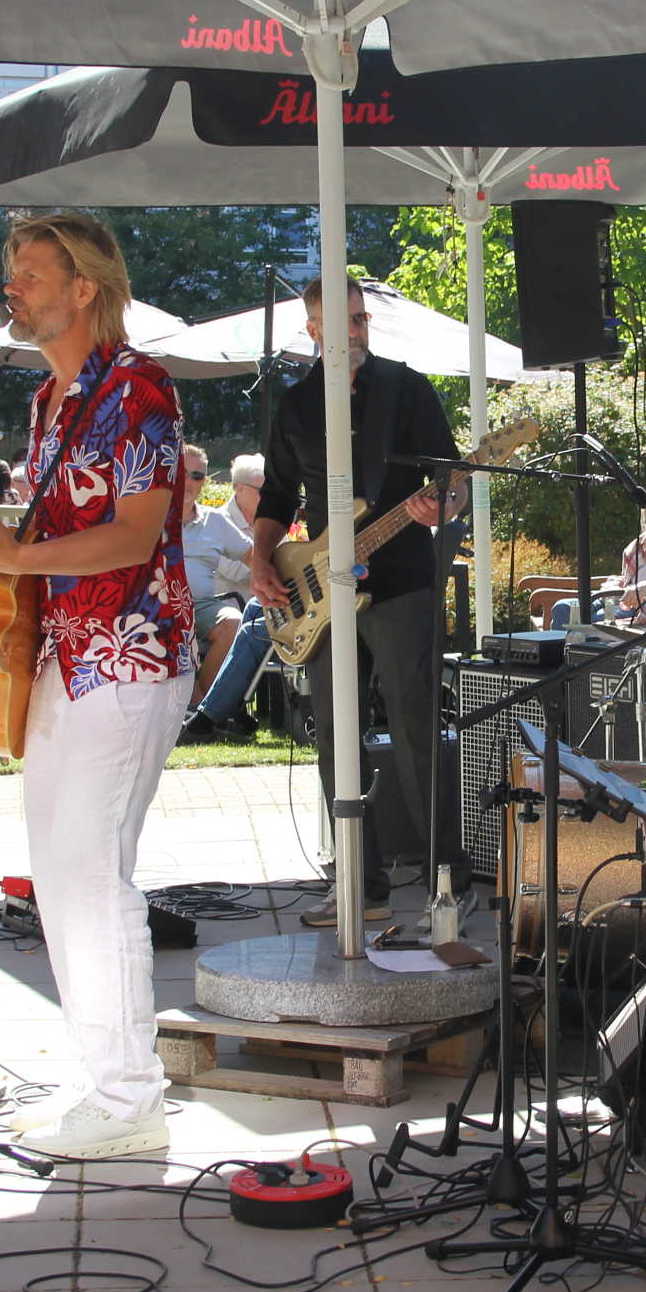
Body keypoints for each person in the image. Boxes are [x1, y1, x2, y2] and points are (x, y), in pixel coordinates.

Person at [0, 212, 192, 1161]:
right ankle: (105, 1086)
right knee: (59, 880)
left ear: (84, 288)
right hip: (59, 654)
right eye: (12, 273)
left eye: (33, 275)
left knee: (92, 878)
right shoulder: (48, 402)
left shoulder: (139, 389)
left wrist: (14, 558)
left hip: (128, 653)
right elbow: (43, 539)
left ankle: (130, 1102)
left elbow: (133, 535)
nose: (14, 289)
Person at [249, 273, 461, 926]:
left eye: (362, 318)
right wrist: (260, 558)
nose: (357, 330)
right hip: (321, 591)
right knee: (335, 736)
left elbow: (451, 477)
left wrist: (442, 507)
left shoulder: (406, 388)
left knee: (416, 730)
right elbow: (278, 494)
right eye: (344, 321)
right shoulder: (295, 404)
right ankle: (359, 885)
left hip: (401, 582)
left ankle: (446, 883)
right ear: (314, 329)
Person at [546, 491, 646, 628]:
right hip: (619, 600)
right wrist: (618, 586)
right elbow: (627, 581)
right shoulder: (639, 545)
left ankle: (577, 651)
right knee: (562, 608)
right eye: (645, 524)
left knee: (590, 621)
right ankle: (561, 653)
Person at [179, 442, 253, 690]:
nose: (188, 482)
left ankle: (202, 701)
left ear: (204, 482)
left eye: (197, 476)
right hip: (158, 603)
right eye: (181, 472)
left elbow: (255, 556)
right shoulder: (151, 516)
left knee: (234, 621)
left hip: (201, 605)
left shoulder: (215, 520)